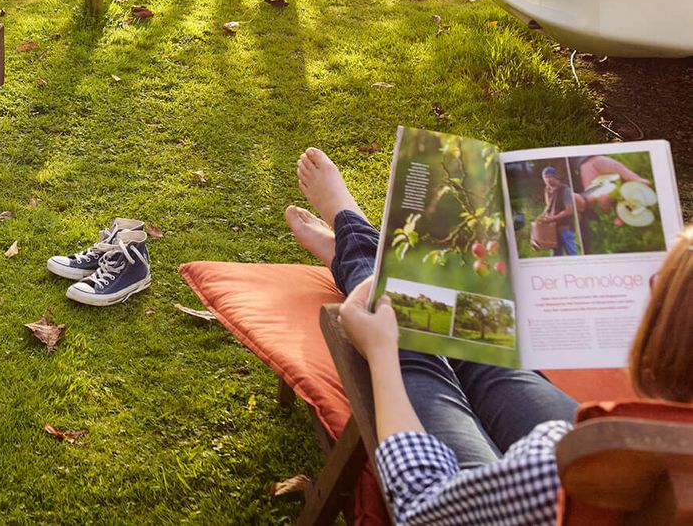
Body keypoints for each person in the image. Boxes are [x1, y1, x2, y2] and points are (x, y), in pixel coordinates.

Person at [285, 147, 693, 526]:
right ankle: (360, 255)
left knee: (405, 332)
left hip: (538, 492)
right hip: (627, 463)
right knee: (483, 345)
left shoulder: (556, 464)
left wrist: (381, 355)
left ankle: (357, 246)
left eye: (659, 283)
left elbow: (422, 503)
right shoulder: (619, 442)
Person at [536, 164, 579, 257]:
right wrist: (542, 216)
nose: (548, 180)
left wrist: (553, 218)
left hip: (565, 228)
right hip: (552, 229)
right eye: (546, 177)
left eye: (550, 177)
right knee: (555, 256)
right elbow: (549, 206)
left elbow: (569, 210)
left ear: (555, 177)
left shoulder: (565, 189)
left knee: (572, 254)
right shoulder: (547, 190)